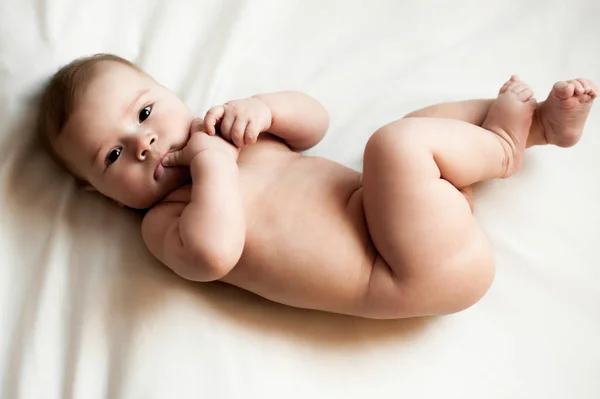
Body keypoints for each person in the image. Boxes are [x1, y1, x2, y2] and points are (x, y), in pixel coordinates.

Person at [38, 54, 597, 319]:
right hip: (403, 268)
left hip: (408, 214)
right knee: (395, 144)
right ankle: (503, 147)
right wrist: (212, 166)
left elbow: (315, 124)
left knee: (412, 127)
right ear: (101, 192)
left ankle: (542, 127)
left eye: (144, 111)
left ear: (168, 89)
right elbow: (215, 253)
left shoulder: (227, 128)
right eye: (112, 155)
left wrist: (266, 108)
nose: (144, 143)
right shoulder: (167, 222)